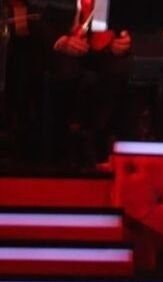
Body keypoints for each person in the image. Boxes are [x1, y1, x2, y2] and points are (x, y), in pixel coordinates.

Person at [28, 0, 132, 167]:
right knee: (67, 70)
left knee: (119, 70)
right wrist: (61, 40)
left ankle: (98, 139)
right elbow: (34, 15)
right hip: (60, 43)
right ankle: (62, 145)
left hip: (104, 46)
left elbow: (134, 18)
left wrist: (126, 40)